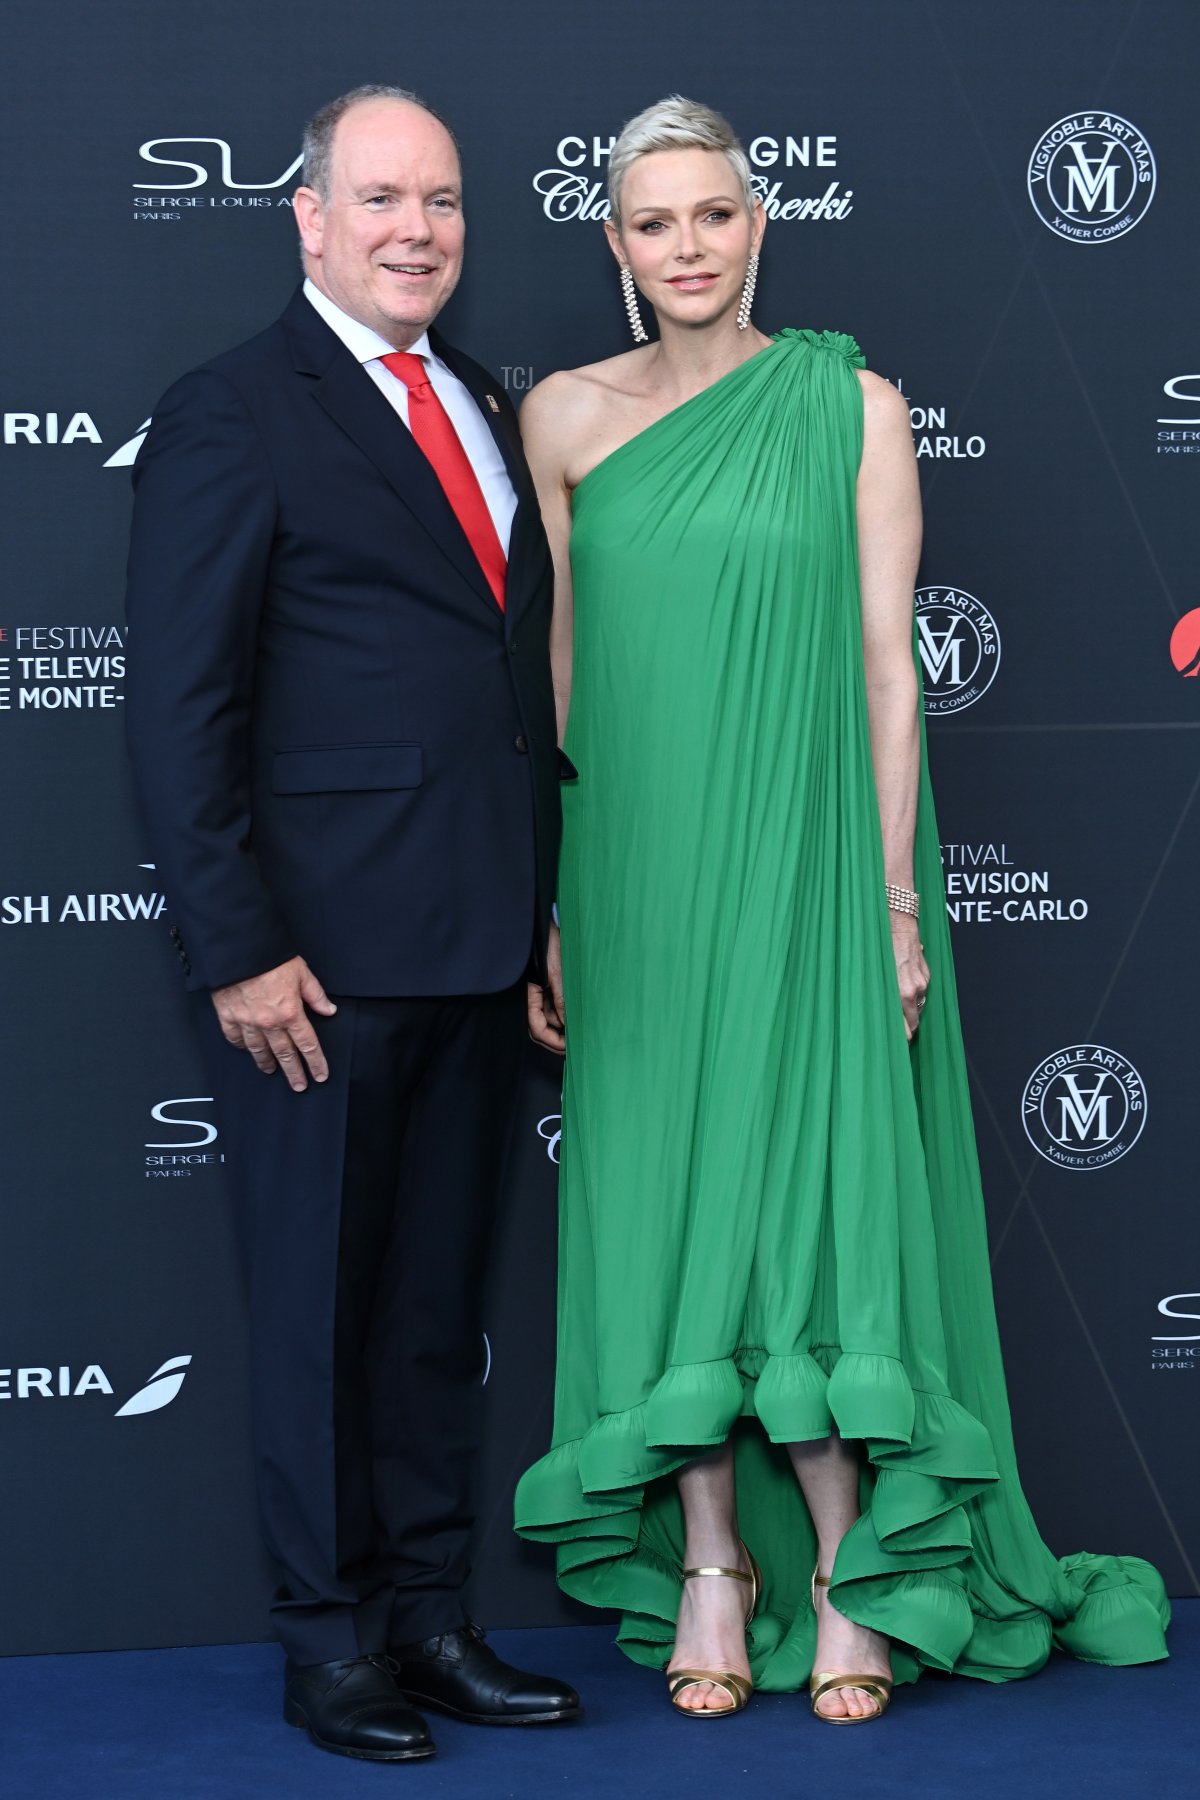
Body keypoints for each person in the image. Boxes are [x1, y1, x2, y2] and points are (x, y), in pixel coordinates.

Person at [516, 95, 1169, 1724]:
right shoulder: (568, 420)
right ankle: (712, 1568)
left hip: (811, 862)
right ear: (615, 246)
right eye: (653, 223)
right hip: (634, 874)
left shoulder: (852, 407)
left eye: (714, 216)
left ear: (761, 226)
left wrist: (891, 905)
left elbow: (893, 676)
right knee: (667, 1204)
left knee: (808, 1208)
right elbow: (568, 667)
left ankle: (848, 1570)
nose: (686, 247)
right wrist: (553, 898)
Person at [125, 85, 580, 1763]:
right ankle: (328, 1647)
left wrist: (539, 912)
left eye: (444, 201)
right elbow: (180, 711)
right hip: (311, 967)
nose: (417, 229)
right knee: (319, 1323)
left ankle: (429, 1620)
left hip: (473, 948)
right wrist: (237, 942)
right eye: (381, 197)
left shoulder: (472, 397)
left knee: (425, 1319)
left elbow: (499, 689)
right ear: (306, 217)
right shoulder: (236, 410)